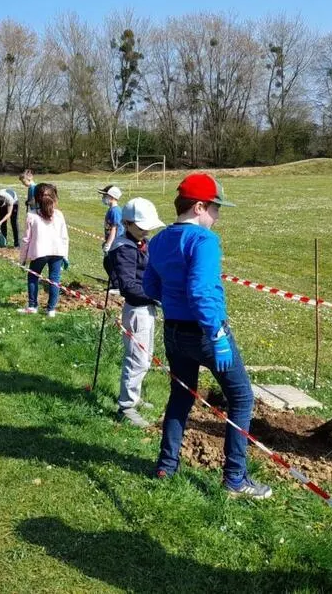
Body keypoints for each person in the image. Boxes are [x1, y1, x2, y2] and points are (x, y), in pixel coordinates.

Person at [143, 173, 271, 499]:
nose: (217, 216)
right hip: (206, 333)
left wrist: (174, 303)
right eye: (216, 209)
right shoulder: (204, 241)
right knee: (241, 398)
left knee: (181, 395)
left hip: (173, 332)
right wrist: (217, 334)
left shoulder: (158, 240)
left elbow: (150, 287)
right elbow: (201, 291)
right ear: (199, 207)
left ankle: (166, 466)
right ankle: (235, 479)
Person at [107, 198, 165, 428]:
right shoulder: (124, 248)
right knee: (136, 358)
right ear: (127, 224)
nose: (146, 231)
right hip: (136, 310)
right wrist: (157, 296)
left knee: (146, 357)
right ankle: (126, 406)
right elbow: (128, 286)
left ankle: (135, 395)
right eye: (142, 227)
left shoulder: (141, 242)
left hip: (147, 307)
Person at [18, 183, 69, 318]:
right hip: (57, 252)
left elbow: (26, 239)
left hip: (39, 253)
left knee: (33, 277)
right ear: (54, 198)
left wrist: (22, 259)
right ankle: (51, 310)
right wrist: (65, 255)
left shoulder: (31, 215)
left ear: (36, 198)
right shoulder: (59, 215)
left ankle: (32, 306)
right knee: (54, 280)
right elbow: (64, 237)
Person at [99, 185, 124, 288]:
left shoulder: (115, 211)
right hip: (112, 241)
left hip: (116, 242)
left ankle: (117, 286)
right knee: (108, 263)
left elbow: (114, 228)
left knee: (110, 263)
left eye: (105, 196)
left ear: (112, 197)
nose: (103, 198)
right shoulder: (111, 209)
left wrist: (109, 244)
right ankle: (115, 284)